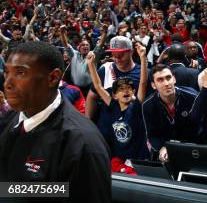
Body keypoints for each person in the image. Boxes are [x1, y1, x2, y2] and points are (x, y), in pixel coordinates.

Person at [0, 41, 111, 202]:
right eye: (7, 73)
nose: (7, 84)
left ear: (53, 78)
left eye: (20, 73)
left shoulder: (83, 143)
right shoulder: (7, 121)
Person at [86, 43, 150, 170]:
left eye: (129, 89)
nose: (126, 91)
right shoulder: (113, 106)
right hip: (118, 158)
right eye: (121, 89)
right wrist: (90, 64)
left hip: (137, 159)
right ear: (114, 95)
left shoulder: (136, 107)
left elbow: (143, 82)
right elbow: (98, 86)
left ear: (133, 92)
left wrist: (143, 58)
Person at [142, 64, 199, 162]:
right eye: (160, 80)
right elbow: (152, 135)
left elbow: (202, 128)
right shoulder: (148, 105)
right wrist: (162, 148)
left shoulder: (193, 97)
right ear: (153, 85)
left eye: (168, 78)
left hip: (193, 150)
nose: (166, 83)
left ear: (174, 79)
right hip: (167, 152)